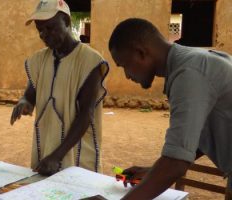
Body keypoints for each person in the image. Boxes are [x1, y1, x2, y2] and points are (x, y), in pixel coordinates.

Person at [91, 18, 232, 199]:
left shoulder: (189, 74)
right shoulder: (193, 61)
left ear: (141, 52)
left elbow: (176, 164)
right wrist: (153, 171)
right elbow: (195, 139)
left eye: (125, 66)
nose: (127, 75)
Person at [10, 0, 109, 176]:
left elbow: (86, 114)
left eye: (50, 28)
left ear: (67, 22)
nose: (44, 34)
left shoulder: (90, 62)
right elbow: (30, 95)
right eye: (40, 30)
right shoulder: (39, 61)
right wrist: (24, 103)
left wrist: (57, 156)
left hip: (76, 157)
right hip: (45, 151)